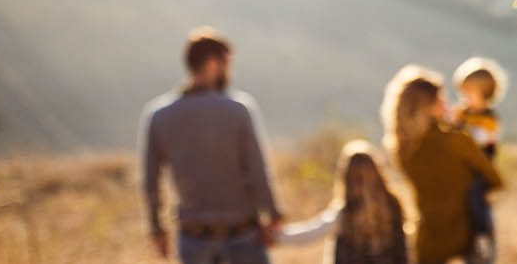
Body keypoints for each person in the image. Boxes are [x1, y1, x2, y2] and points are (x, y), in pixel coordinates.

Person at [140, 27, 283, 264]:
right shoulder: (238, 110)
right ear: (213, 64)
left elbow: (150, 182)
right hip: (242, 235)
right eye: (227, 64)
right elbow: (257, 172)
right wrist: (274, 214)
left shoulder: (159, 116)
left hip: (193, 238)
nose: (230, 72)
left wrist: (156, 228)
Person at [381, 65, 504, 264]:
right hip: (468, 237)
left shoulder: (403, 150)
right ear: (430, 106)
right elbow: (495, 180)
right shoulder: (457, 141)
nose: (449, 103)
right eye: (441, 99)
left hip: (428, 239)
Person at [278, 140, 409, 264]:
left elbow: (311, 233)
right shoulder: (393, 206)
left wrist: (276, 237)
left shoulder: (345, 213)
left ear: (346, 178)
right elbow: (404, 250)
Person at [450, 57, 510, 263]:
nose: (464, 97)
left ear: (485, 94)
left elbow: (481, 140)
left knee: (475, 195)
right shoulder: (462, 113)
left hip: (481, 169)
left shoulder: (490, 119)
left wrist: (462, 130)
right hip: (462, 169)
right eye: (462, 92)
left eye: (469, 93)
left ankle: (482, 234)